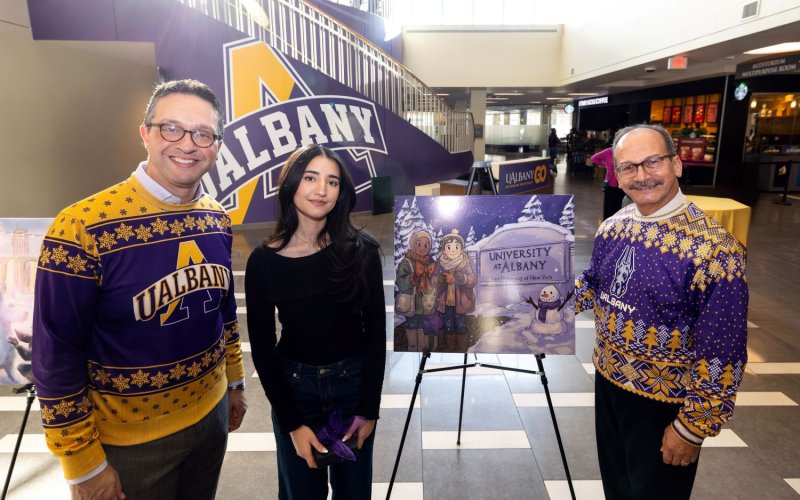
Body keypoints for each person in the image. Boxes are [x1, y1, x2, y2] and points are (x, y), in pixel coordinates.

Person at [32, 79, 247, 500]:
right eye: (171, 128)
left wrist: (235, 384)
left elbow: (223, 315)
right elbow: (55, 355)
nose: (187, 144)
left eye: (203, 133)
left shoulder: (216, 218)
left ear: (216, 146)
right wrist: (82, 464)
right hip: (129, 447)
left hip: (211, 418)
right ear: (145, 133)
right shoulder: (81, 227)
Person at [575, 124, 748, 500]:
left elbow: (724, 350)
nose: (641, 175)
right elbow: (592, 284)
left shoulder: (715, 250)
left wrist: (693, 427)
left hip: (665, 405)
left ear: (677, 164)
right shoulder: (614, 227)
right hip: (608, 383)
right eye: (628, 167)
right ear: (617, 176)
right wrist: (543, 303)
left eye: (652, 162)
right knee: (617, 487)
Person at [245, 144, 386, 499]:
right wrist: (292, 423)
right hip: (295, 389)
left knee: (354, 493)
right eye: (310, 178)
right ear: (291, 183)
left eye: (332, 181)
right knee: (300, 493)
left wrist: (369, 409)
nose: (321, 190)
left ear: (342, 192)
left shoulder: (362, 250)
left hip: (351, 385)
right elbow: (262, 348)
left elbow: (375, 335)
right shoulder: (263, 262)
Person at [433, 229, 476, 352]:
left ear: (461, 249)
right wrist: (441, 280)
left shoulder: (465, 262)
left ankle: (461, 348)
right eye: (449, 246)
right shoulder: (441, 263)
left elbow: (472, 280)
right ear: (444, 249)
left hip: (460, 302)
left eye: (456, 247)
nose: (452, 250)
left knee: (461, 324)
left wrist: (461, 278)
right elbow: (434, 279)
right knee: (448, 325)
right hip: (445, 301)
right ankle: (450, 347)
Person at [395, 230, 437, 352]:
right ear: (413, 244)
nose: (423, 248)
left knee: (424, 326)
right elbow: (400, 282)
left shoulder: (431, 263)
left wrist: (435, 279)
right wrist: (412, 277)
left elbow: (436, 280)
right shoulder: (406, 262)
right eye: (419, 244)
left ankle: (423, 349)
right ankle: (413, 348)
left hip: (426, 304)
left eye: (426, 245)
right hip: (412, 304)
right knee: (412, 325)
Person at [591, 147, 626, 219]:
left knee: (620, 208)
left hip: (622, 184)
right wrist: (604, 165)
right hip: (611, 185)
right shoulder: (609, 152)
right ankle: (607, 226)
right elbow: (594, 158)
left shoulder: (626, 151)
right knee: (609, 209)